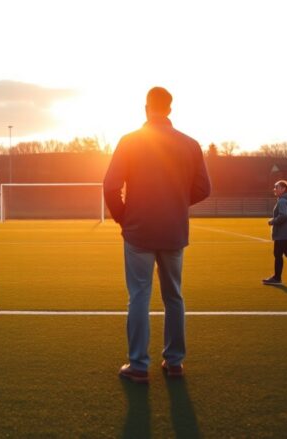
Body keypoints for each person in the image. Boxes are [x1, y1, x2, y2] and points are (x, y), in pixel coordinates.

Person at [104, 86, 211, 384]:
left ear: (145, 108)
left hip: (139, 229)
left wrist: (124, 216)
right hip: (173, 229)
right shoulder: (190, 144)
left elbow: (110, 186)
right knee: (173, 295)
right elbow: (204, 188)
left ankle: (139, 365)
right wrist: (176, 201)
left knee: (139, 295)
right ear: (170, 109)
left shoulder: (130, 141)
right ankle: (174, 362)